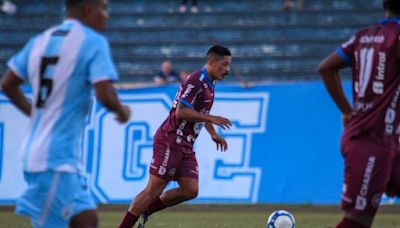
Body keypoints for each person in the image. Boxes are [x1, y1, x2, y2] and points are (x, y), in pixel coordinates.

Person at [0, 0, 130, 227]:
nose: (106, 15)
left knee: (87, 220)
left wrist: (36, 113)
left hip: (50, 155)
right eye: (103, 8)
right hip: (53, 159)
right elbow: (105, 95)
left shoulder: (41, 40)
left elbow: (8, 84)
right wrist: (122, 111)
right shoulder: (93, 42)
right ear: (88, 10)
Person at [119, 45, 233, 228]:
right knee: (153, 190)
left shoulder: (210, 83)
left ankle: (147, 210)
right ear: (211, 62)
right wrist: (210, 118)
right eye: (224, 64)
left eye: (229, 65)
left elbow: (200, 111)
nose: (227, 70)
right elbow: (181, 112)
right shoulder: (196, 80)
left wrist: (212, 132)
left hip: (185, 144)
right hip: (171, 140)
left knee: (190, 190)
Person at [318, 0, 400, 227]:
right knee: (357, 222)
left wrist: (347, 110)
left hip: (375, 137)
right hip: (372, 141)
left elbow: (326, 67)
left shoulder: (363, 36)